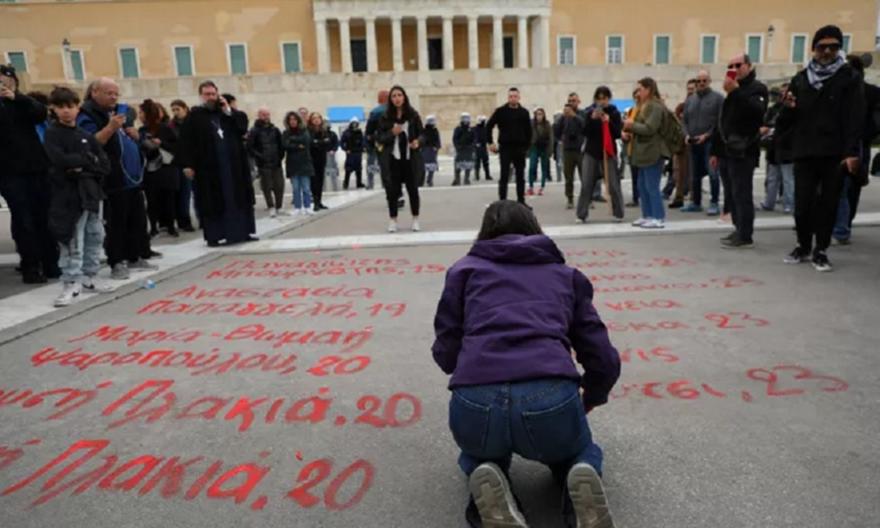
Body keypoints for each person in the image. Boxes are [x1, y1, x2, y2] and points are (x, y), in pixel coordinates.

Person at [431, 200, 620, 528]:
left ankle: (486, 494)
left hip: (475, 398)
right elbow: (602, 357)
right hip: (549, 395)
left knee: (478, 455)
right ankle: (577, 487)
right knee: (579, 450)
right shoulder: (566, 276)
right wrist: (591, 397)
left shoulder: (462, 271)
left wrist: (464, 368)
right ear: (536, 229)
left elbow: (446, 348)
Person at [777, 26, 865, 271]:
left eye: (833, 47)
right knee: (802, 203)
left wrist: (851, 153)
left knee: (828, 204)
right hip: (805, 150)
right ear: (813, 49)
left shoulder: (848, 77)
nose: (827, 51)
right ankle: (803, 245)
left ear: (839, 49)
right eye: (822, 46)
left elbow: (855, 118)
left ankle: (821, 249)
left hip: (834, 153)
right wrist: (788, 107)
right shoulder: (802, 78)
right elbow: (785, 120)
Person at [78, 77, 157, 279]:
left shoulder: (118, 110)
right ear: (94, 92)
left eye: (115, 93)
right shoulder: (87, 113)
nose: (113, 97)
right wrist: (111, 127)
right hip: (113, 178)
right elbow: (91, 143)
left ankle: (135, 255)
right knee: (116, 222)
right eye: (108, 93)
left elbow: (128, 110)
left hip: (132, 177)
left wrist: (133, 133)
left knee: (137, 219)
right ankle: (117, 261)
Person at [43, 86, 113, 306]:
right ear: (53, 109)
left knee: (95, 235)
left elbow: (103, 165)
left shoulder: (85, 136)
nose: (66, 111)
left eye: (70, 107)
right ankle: (71, 281)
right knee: (73, 239)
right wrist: (85, 162)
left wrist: (83, 165)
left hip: (91, 194)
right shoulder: (52, 134)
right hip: (68, 196)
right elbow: (59, 161)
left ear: (78, 108)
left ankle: (88, 277)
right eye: (61, 107)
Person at [177, 80, 257, 247]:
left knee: (237, 198)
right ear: (201, 96)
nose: (211, 97)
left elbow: (242, 127)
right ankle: (215, 235)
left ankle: (241, 232)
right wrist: (187, 165)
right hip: (209, 170)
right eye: (207, 94)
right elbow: (185, 143)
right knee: (212, 201)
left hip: (233, 167)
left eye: (213, 94)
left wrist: (228, 110)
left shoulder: (228, 114)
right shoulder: (194, 116)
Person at [0, 63, 59, 284]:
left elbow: (40, 113)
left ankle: (51, 261)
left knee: (43, 216)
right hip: (9, 172)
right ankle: (30, 265)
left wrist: (16, 97)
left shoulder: (22, 102)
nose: (4, 85)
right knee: (23, 219)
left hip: (37, 168)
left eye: (8, 81)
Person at [710, 54, 769, 249]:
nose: (735, 69)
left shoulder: (756, 89)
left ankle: (745, 234)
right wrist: (715, 151)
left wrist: (736, 93)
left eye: (738, 65)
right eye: (730, 65)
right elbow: (723, 122)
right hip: (728, 150)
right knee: (731, 192)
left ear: (749, 66)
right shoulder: (733, 92)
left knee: (742, 191)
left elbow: (757, 112)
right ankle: (738, 228)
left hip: (744, 150)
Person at [832, 54, 877, 245]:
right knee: (844, 189)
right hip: (845, 145)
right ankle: (842, 226)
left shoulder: (870, 92)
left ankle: (842, 228)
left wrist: (860, 136)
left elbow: (875, 122)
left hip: (856, 146)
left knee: (847, 188)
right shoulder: (841, 92)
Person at [376, 85, 423, 233]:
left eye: (399, 95)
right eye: (394, 96)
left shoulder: (413, 115)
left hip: (410, 158)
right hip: (393, 159)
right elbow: (380, 138)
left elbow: (423, 134)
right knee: (392, 191)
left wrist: (418, 142)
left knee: (413, 190)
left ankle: (415, 219)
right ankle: (393, 220)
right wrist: (392, 132)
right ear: (390, 99)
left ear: (404, 97)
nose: (397, 98)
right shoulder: (385, 117)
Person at [624, 77, 670, 229]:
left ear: (649, 89)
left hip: (653, 151)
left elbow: (650, 128)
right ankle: (647, 215)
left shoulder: (655, 106)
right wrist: (629, 131)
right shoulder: (643, 106)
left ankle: (658, 216)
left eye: (641, 89)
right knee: (642, 185)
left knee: (652, 185)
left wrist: (632, 125)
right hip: (643, 152)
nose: (638, 92)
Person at [682, 70, 724, 215]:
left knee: (713, 173)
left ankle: (714, 202)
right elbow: (684, 120)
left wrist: (707, 135)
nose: (701, 83)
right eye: (698, 81)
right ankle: (696, 202)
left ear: (709, 81)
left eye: (704, 80)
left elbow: (720, 122)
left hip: (710, 144)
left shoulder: (718, 99)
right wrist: (686, 134)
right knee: (694, 174)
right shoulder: (690, 100)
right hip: (693, 142)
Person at [579, 86, 625, 222]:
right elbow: (584, 132)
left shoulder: (614, 112)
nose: (601, 101)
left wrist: (608, 121)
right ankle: (581, 213)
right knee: (587, 183)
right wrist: (592, 119)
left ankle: (618, 213)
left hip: (608, 151)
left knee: (613, 184)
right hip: (591, 151)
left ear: (609, 99)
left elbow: (617, 133)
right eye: (599, 98)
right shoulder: (588, 112)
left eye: (604, 98)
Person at [139, 99, 181, 237]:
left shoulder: (165, 128)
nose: (140, 115)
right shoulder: (142, 130)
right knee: (151, 200)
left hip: (166, 169)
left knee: (168, 199)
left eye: (142, 112)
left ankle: (170, 226)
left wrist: (160, 143)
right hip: (150, 169)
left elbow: (177, 147)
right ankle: (154, 227)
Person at [486, 87, 532, 204]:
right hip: (506, 147)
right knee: (504, 175)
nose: (513, 99)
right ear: (508, 98)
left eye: (515, 96)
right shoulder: (501, 111)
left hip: (520, 148)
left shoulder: (524, 112)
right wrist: (490, 142)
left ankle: (521, 201)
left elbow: (529, 131)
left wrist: (527, 147)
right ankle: (502, 201)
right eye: (511, 96)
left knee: (520, 176)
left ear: (519, 97)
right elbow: (489, 126)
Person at [759, 86, 795, 214]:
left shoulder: (794, 110)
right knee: (772, 178)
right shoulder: (772, 110)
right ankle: (769, 202)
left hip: (787, 148)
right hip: (774, 148)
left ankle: (789, 204)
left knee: (787, 178)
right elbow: (765, 124)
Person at [247, 107, 285, 217]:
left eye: (267, 114)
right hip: (263, 163)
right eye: (264, 115)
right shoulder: (254, 131)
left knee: (279, 185)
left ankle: (279, 206)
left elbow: (280, 145)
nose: (266, 117)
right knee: (266, 186)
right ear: (259, 116)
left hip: (276, 162)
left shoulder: (275, 129)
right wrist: (260, 157)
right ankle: (271, 206)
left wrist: (280, 156)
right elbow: (250, 147)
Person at [554, 97, 586, 209]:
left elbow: (585, 126)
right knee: (568, 176)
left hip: (580, 149)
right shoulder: (564, 117)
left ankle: (587, 198)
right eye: (570, 101)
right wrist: (562, 117)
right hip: (568, 150)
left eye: (574, 101)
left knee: (584, 176)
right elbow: (556, 131)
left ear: (578, 101)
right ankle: (570, 198)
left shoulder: (582, 114)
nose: (572, 103)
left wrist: (574, 116)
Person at [168, 99, 195, 232]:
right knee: (184, 194)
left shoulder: (193, 121)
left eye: (178, 109)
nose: (175, 112)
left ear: (185, 108)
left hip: (197, 161)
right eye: (173, 110)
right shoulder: (172, 126)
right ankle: (184, 221)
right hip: (183, 163)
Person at [282, 111, 314, 216]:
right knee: (295, 188)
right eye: (290, 119)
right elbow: (285, 145)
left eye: (294, 119)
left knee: (306, 188)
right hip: (292, 164)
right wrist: (297, 145)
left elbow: (305, 142)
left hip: (304, 163)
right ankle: (297, 207)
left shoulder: (304, 131)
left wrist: (293, 142)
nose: (293, 121)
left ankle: (307, 206)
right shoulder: (286, 133)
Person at [307, 112, 333, 211]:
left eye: (318, 118)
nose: (316, 120)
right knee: (314, 181)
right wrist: (319, 143)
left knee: (321, 180)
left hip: (321, 158)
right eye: (314, 118)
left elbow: (328, 142)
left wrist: (319, 143)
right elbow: (311, 143)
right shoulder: (309, 131)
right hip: (312, 159)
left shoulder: (324, 131)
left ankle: (319, 201)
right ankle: (315, 202)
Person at [365, 90, 389, 190]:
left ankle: (371, 183)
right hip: (389, 142)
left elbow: (369, 131)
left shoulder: (375, 111)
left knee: (371, 164)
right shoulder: (395, 110)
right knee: (386, 166)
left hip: (376, 142)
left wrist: (368, 143)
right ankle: (386, 183)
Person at [527, 107, 553, 196]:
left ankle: (542, 187)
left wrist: (550, 150)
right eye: (537, 114)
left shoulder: (547, 125)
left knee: (544, 168)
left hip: (544, 148)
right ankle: (530, 187)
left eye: (541, 114)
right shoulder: (531, 124)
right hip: (534, 147)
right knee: (532, 167)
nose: (539, 116)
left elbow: (551, 138)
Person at [340, 117, 366, 189]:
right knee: (348, 168)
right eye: (353, 123)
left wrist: (363, 147)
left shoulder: (359, 132)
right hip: (350, 152)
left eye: (356, 123)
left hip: (358, 152)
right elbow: (342, 142)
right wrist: (345, 149)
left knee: (358, 168)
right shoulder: (346, 132)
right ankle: (346, 183)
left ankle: (359, 183)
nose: (354, 125)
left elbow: (363, 141)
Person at [453, 112, 477, 186]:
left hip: (468, 149)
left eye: (467, 118)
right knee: (458, 165)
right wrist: (457, 146)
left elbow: (475, 139)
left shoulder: (471, 129)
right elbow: (455, 138)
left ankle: (466, 179)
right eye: (464, 118)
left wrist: (472, 146)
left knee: (468, 165)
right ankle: (457, 180)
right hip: (460, 149)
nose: (465, 120)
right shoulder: (458, 129)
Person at [421, 115, 441, 187]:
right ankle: (422, 180)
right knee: (423, 166)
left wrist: (437, 147)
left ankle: (430, 180)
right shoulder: (423, 130)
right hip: (425, 150)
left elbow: (438, 140)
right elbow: (421, 140)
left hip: (432, 150)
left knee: (431, 166)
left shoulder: (435, 130)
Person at [473, 115, 492, 181]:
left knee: (485, 162)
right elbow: (473, 138)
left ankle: (487, 175)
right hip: (477, 147)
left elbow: (487, 138)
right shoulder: (475, 129)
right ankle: (477, 175)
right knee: (477, 162)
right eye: (483, 121)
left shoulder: (485, 129)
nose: (484, 122)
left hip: (483, 147)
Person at [325, 123, 341, 192]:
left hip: (331, 155)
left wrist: (333, 150)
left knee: (333, 171)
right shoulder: (320, 133)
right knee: (323, 173)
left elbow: (336, 143)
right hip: (323, 155)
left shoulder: (333, 134)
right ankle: (323, 188)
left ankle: (335, 186)